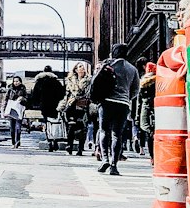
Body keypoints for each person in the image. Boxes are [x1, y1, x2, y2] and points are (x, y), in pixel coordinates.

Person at [89, 43, 140, 175]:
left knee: (104, 130)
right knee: (117, 134)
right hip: (123, 104)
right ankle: (114, 165)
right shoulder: (132, 69)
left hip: (106, 102)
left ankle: (104, 158)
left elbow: (95, 82)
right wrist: (126, 97)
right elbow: (135, 90)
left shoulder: (107, 65)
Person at [59, 62, 91, 155]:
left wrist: (79, 97)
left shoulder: (89, 80)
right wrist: (64, 104)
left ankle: (80, 149)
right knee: (71, 126)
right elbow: (67, 93)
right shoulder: (70, 80)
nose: (82, 68)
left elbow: (88, 93)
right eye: (80, 67)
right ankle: (69, 145)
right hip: (72, 105)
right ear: (76, 70)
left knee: (81, 127)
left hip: (82, 105)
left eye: (83, 67)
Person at [137, 61, 156, 160]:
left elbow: (138, 101)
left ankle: (152, 156)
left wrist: (136, 116)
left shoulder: (142, 82)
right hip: (157, 107)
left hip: (145, 107)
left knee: (147, 130)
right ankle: (154, 156)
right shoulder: (159, 80)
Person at [1, 76, 27, 148]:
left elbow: (27, 99)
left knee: (18, 127)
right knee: (12, 128)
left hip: (19, 110)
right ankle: (13, 142)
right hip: (11, 110)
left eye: (17, 81)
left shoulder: (23, 89)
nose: (16, 82)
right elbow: (5, 99)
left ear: (20, 82)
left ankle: (17, 142)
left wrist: (22, 99)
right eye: (14, 81)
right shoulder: (10, 89)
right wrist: (3, 109)